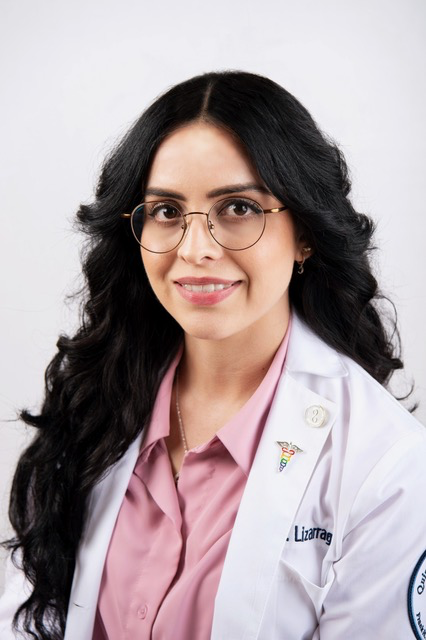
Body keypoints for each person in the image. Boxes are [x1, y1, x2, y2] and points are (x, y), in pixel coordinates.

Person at [1, 70, 425, 640]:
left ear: (305, 233)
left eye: (239, 208)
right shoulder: (92, 406)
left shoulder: (388, 468)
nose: (195, 249)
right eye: (167, 211)